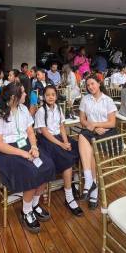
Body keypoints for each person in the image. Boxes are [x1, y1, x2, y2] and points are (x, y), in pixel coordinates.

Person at [0, 82, 55, 233]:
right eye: (23, 92)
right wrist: (23, 153)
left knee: (47, 165)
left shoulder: (23, 109)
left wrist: (34, 147)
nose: (26, 94)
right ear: (14, 97)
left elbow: (30, 132)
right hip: (6, 151)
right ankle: (26, 211)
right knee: (30, 171)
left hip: (25, 145)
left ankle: (34, 204)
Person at [34, 86, 83, 216]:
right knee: (67, 158)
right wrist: (61, 144)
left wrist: (66, 142)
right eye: (48, 95)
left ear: (56, 96)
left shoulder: (58, 108)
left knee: (78, 148)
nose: (50, 97)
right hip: (47, 141)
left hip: (59, 138)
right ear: (44, 97)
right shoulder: (41, 111)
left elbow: (62, 127)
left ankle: (73, 182)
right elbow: (44, 132)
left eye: (53, 95)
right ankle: (69, 197)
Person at [78, 75, 117, 209]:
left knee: (92, 150)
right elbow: (82, 120)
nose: (90, 87)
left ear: (99, 83)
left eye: (92, 84)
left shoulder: (108, 100)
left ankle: (92, 187)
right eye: (88, 85)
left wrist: (96, 124)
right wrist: (93, 127)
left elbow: (112, 123)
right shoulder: (85, 99)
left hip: (107, 132)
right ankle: (90, 182)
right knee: (82, 136)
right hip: (91, 131)